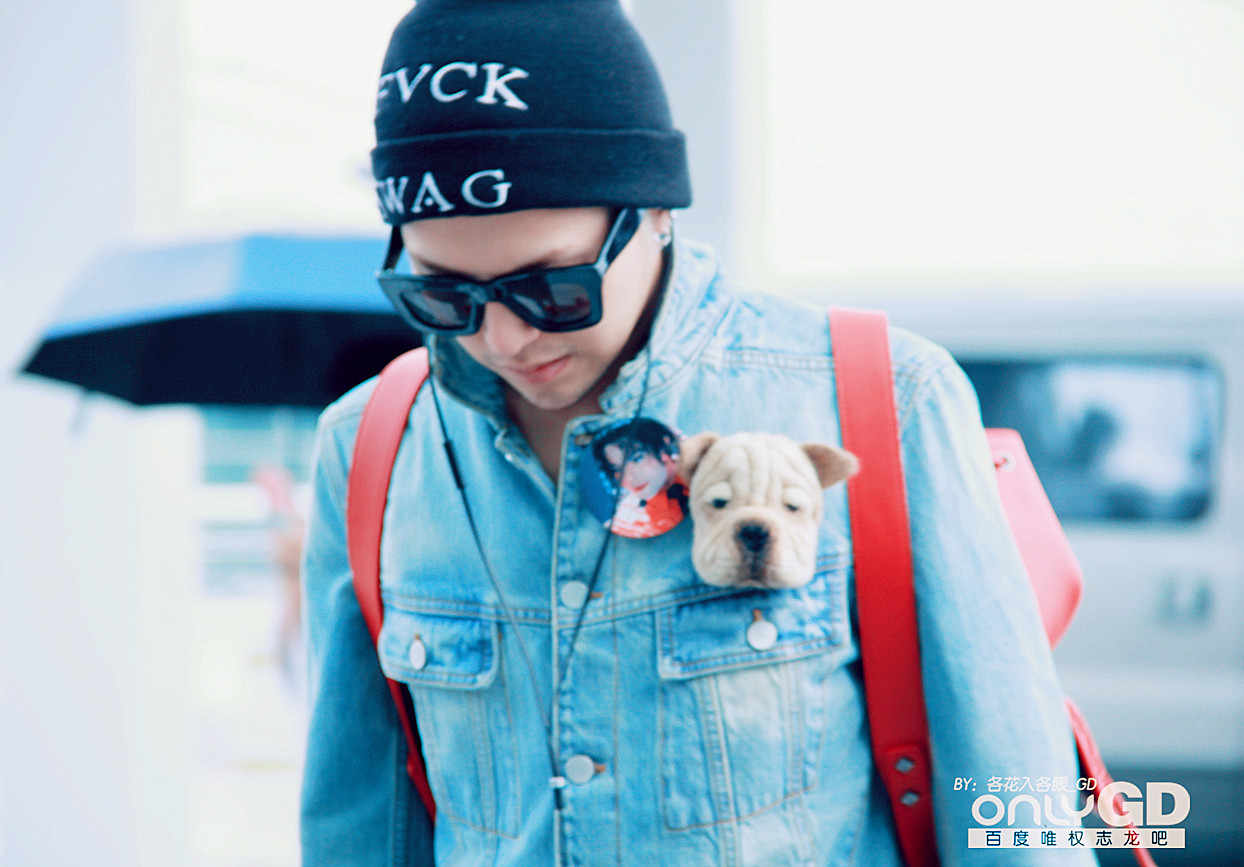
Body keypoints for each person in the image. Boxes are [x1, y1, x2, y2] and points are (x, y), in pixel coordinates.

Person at [300, 1, 1093, 864]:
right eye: (441, 296)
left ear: (655, 211)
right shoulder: (369, 446)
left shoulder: (886, 399)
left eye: (554, 291)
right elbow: (359, 821)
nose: (503, 337)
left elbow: (1020, 816)